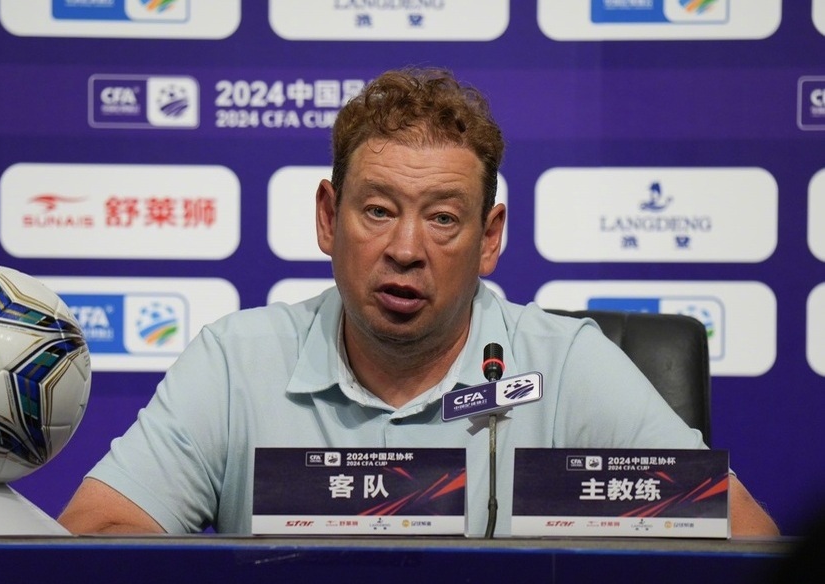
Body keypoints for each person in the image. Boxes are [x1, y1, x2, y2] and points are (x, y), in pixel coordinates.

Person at [58, 67, 778, 537]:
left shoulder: (563, 369)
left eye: (442, 218)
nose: (405, 248)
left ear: (488, 238)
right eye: (377, 211)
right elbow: (99, 533)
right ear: (328, 218)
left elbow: (747, 539)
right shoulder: (236, 362)